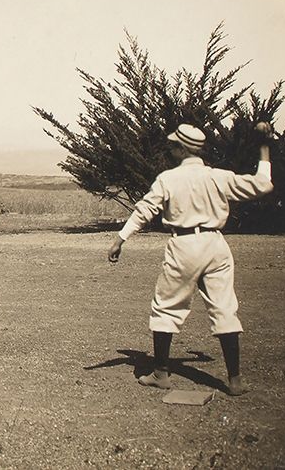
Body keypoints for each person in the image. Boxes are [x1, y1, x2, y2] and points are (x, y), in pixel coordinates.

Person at [107, 123, 274, 396]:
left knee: (166, 306)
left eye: (173, 145)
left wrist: (120, 239)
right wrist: (264, 148)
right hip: (216, 244)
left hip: (184, 244)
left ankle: (161, 372)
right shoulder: (218, 176)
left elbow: (144, 211)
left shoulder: (168, 179)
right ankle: (235, 380)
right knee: (224, 308)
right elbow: (263, 185)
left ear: (182, 149)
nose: (170, 148)